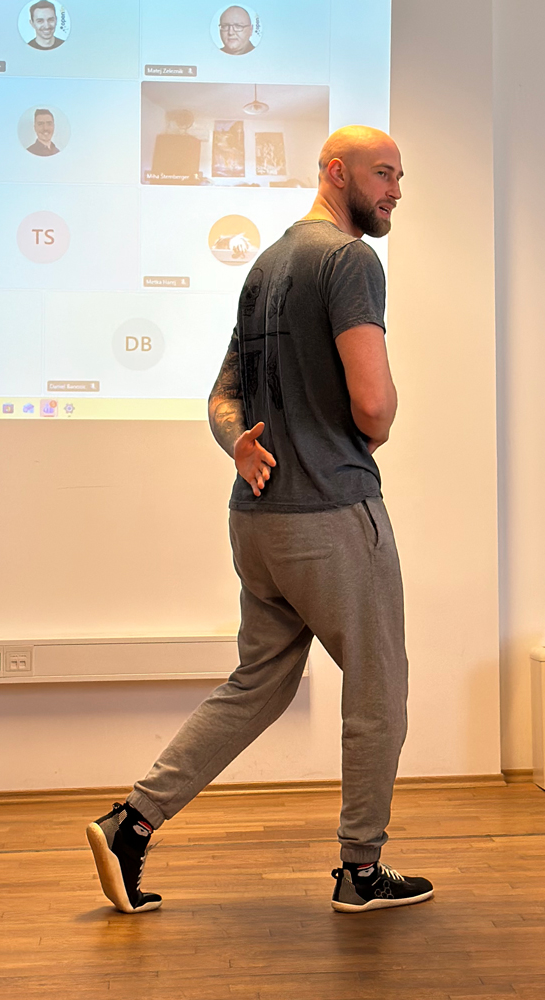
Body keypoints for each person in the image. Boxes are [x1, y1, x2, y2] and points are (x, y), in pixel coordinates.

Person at [86, 125, 434, 915]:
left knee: (258, 685)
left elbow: (221, 397)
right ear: (337, 173)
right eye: (384, 174)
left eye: (400, 176)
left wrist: (236, 445)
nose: (395, 191)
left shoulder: (267, 266)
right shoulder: (349, 261)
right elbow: (374, 405)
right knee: (379, 691)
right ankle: (360, 869)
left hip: (259, 521)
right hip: (334, 515)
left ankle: (131, 823)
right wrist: (373, 426)